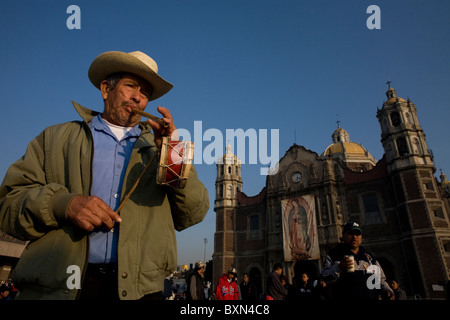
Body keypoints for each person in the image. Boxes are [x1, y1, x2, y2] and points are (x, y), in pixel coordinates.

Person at [0, 50, 209, 300]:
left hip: (141, 291)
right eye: (131, 85)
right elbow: (8, 205)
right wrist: (63, 204)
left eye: (145, 93)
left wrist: (173, 154)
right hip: (63, 287)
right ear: (105, 89)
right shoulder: (55, 139)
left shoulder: (161, 149)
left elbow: (193, 213)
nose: (137, 98)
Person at [320, 222, 394, 300]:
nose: (354, 237)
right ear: (343, 235)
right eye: (350, 234)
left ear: (361, 237)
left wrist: (387, 290)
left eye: (357, 234)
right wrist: (338, 267)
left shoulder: (368, 257)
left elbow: (379, 279)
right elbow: (324, 277)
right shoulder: (334, 254)